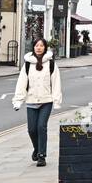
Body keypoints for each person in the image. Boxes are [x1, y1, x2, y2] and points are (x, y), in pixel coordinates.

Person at [13, 37, 63, 166]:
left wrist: (56, 100)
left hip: (47, 100)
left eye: (41, 45)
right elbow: (22, 83)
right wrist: (18, 100)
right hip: (31, 100)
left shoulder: (51, 64)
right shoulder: (28, 64)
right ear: (33, 47)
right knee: (31, 130)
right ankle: (36, 148)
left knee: (41, 127)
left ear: (45, 48)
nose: (39, 48)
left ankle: (42, 155)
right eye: (36, 45)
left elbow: (56, 83)